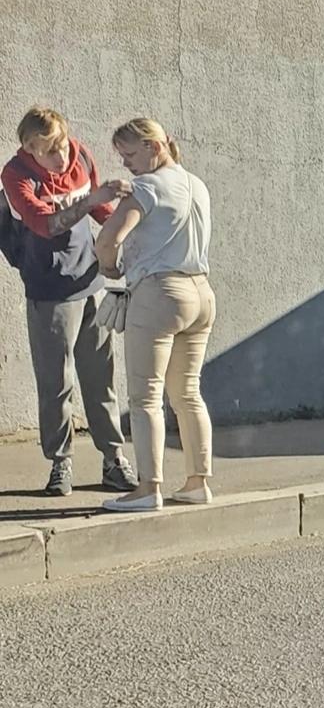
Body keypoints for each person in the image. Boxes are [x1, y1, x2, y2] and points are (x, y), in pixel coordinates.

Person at [1, 107, 137, 496]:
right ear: (29, 148)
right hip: (49, 289)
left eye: (63, 145)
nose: (63, 157)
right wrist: (92, 198)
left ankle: (113, 459)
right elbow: (45, 225)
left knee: (101, 378)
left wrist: (120, 230)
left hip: (90, 281)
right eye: (51, 152)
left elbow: (99, 209)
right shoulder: (16, 175)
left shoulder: (80, 155)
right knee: (56, 382)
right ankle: (61, 463)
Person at [95, 118, 214, 512]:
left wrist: (110, 267)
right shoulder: (197, 184)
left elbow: (108, 238)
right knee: (188, 392)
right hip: (201, 292)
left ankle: (148, 488)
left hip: (160, 293)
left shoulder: (146, 188)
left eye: (130, 153)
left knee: (145, 395)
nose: (126, 163)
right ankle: (198, 482)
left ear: (153, 146)